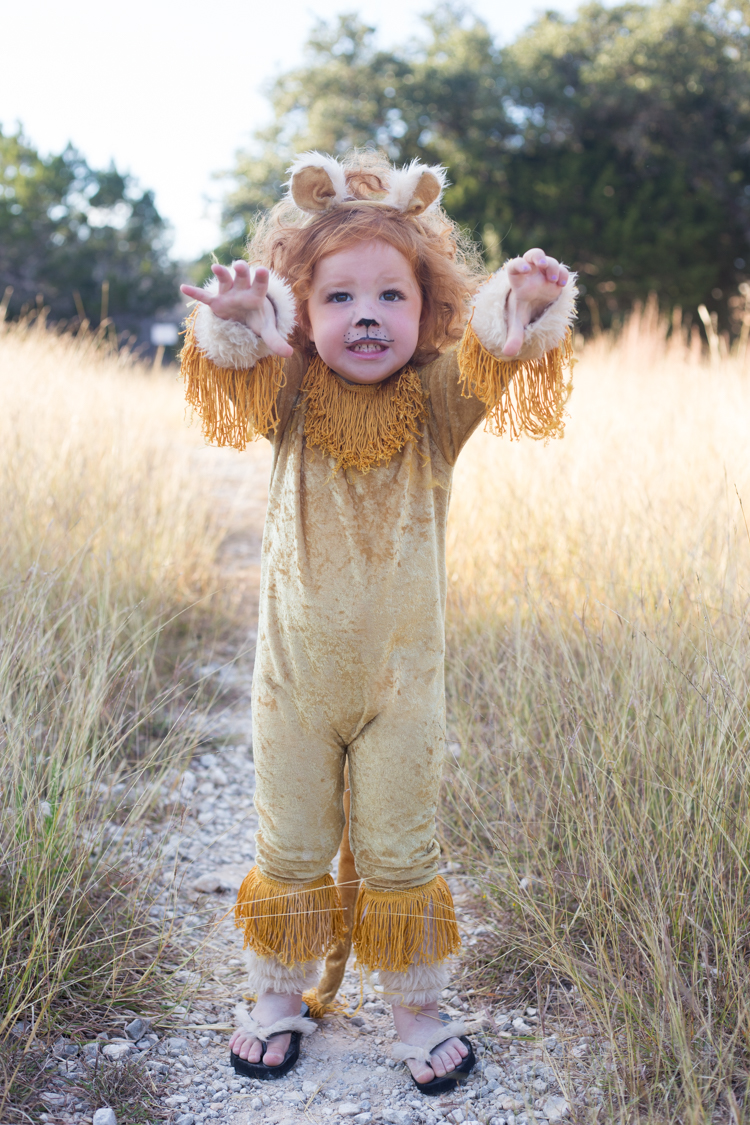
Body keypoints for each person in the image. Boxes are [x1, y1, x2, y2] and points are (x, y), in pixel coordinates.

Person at [179, 151, 577, 1095]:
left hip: (404, 688)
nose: (367, 314)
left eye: (392, 296)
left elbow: (498, 356)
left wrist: (520, 309)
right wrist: (237, 325)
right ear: (303, 314)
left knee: (403, 847)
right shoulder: (290, 396)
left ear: (431, 306)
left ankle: (416, 1011)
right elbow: (236, 357)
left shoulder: (437, 405)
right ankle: (276, 996)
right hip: (295, 685)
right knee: (291, 843)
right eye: (340, 297)